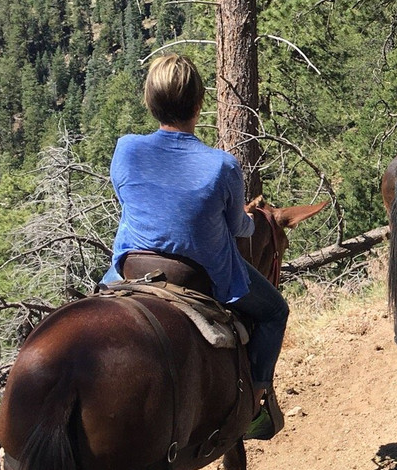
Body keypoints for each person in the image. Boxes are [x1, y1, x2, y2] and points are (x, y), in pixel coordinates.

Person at [102, 54, 287, 440]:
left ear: (150, 102)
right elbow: (239, 226)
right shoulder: (222, 165)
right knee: (274, 311)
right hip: (202, 275)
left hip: (132, 267)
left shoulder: (126, 149)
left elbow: (127, 198)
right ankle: (255, 403)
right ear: (200, 104)